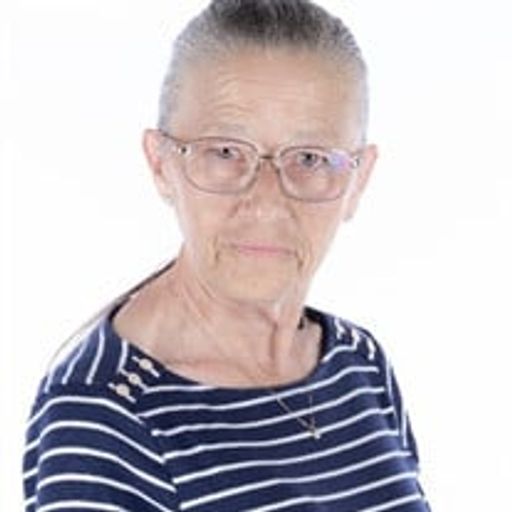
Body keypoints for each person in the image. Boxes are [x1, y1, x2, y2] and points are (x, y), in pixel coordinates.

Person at [22, 1, 431, 510]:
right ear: (160, 164)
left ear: (357, 180)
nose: (266, 202)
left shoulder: (358, 362)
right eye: (225, 152)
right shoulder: (103, 412)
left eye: (309, 158)